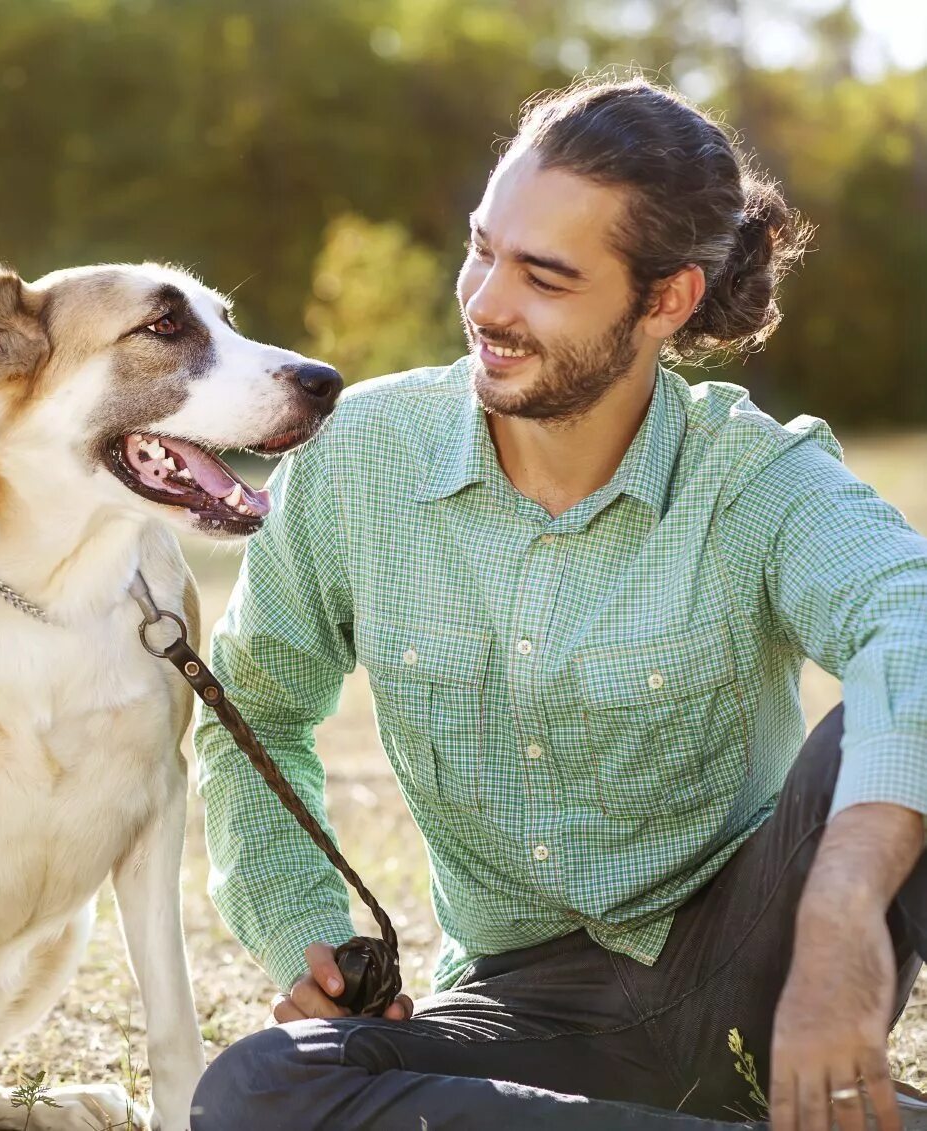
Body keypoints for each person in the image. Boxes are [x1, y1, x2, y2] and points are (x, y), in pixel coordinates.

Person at [190, 76, 927, 1131]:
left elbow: (914, 620)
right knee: (262, 1089)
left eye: (544, 275)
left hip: (759, 957)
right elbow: (254, 709)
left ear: (665, 299)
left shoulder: (753, 479)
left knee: (895, 719)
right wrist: (308, 938)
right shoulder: (355, 460)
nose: (488, 302)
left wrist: (846, 913)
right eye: (484, 249)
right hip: (518, 1009)